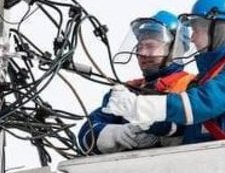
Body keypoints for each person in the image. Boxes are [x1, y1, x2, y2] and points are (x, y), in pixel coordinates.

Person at [103, 0, 225, 143]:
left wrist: (140, 107)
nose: (192, 39)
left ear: (216, 28)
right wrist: (148, 126)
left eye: (196, 30)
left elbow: (202, 103)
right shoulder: (208, 75)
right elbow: (185, 124)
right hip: (213, 161)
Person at [78, 11, 194, 154]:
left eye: (151, 46)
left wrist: (157, 130)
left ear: (176, 49)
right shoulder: (128, 91)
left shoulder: (192, 86)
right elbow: (87, 131)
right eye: (140, 46)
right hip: (130, 172)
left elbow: (194, 125)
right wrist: (113, 134)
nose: (143, 53)